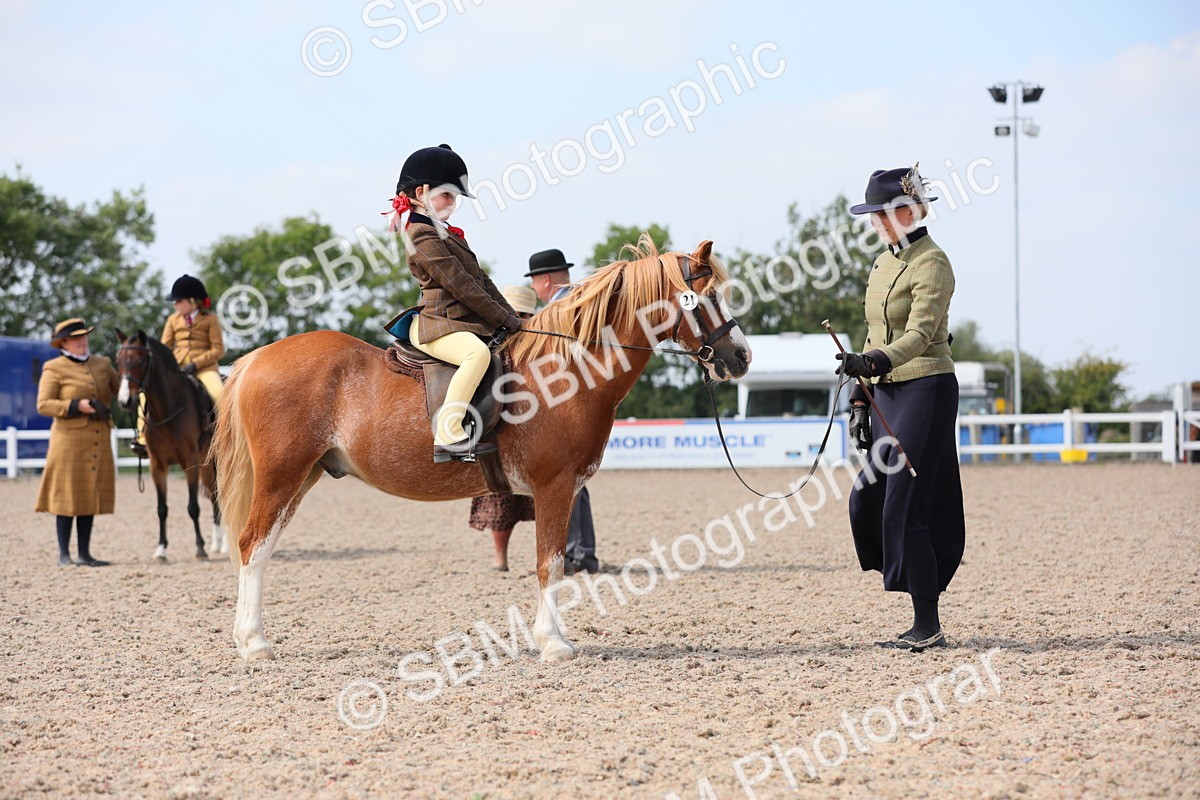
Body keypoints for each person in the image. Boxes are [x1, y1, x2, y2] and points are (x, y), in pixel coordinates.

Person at [839, 163, 965, 653]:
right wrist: (859, 390)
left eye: (882, 214)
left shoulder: (933, 262)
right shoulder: (884, 262)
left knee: (905, 502)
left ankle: (926, 622)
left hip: (925, 387)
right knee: (865, 498)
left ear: (910, 211)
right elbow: (875, 330)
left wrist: (871, 361)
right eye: (872, 215)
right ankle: (903, 576)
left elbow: (919, 335)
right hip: (885, 390)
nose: (876, 223)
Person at [391, 144, 522, 463]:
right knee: (475, 354)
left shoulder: (448, 233)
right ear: (421, 192)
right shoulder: (420, 234)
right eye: (448, 195)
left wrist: (512, 316)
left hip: (461, 321)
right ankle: (449, 432)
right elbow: (461, 285)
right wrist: (503, 319)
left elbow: (481, 279)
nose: (454, 203)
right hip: (437, 324)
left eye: (455, 197)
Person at [526, 248, 600, 575]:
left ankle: (580, 555)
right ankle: (580, 554)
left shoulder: (562, 306)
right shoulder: (579, 299)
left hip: (568, 400)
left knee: (569, 484)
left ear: (544, 280)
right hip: (575, 398)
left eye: (534, 283)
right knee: (571, 484)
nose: (533, 289)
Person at [35, 318, 120, 566]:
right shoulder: (54, 368)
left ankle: (84, 553)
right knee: (66, 495)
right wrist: (75, 405)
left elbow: (121, 389)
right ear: (64, 343)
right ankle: (64, 554)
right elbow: (43, 405)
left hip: (98, 438)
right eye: (76, 338)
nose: (82, 341)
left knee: (88, 494)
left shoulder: (103, 364)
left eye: (84, 336)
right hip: (68, 441)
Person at [469, 285, 539, 570]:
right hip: (498, 432)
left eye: (522, 314)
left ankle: (504, 560)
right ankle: (500, 559)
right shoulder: (488, 344)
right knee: (497, 500)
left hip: (521, 433)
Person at [130, 274, 225, 458]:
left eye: (178, 301)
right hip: (177, 368)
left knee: (219, 395)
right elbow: (164, 347)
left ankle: (225, 437)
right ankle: (142, 437)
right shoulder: (173, 320)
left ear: (192, 301)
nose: (175, 305)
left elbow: (218, 350)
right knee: (145, 394)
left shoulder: (210, 319)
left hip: (204, 368)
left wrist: (196, 364)